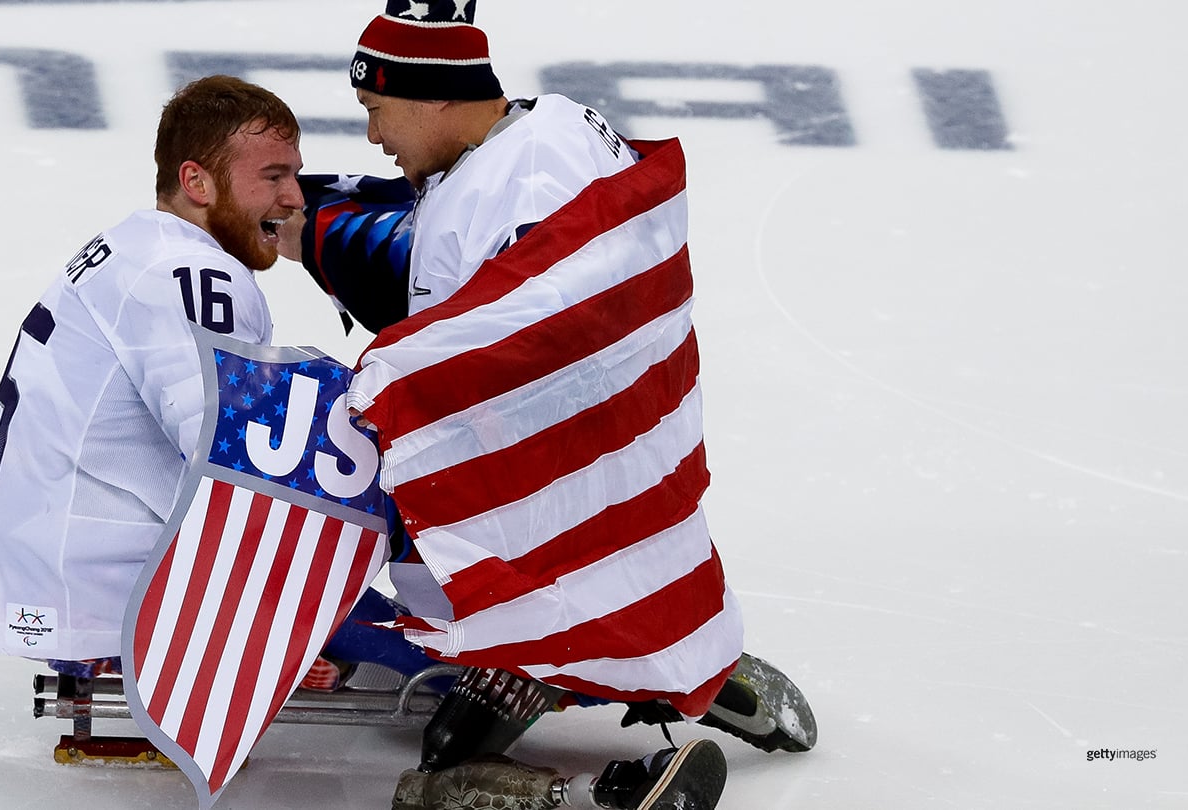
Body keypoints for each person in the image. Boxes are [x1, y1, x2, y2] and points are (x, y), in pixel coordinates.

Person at [279, 2, 819, 807]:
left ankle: (576, 756)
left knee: (442, 754)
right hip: (603, 503)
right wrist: (298, 224)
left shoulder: (532, 178)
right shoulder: (529, 141)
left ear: (432, 97)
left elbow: (550, 328)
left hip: (554, 517)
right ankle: (696, 666)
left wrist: (395, 379)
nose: (372, 138)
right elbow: (437, 259)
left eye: (375, 110)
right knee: (615, 608)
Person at [0, 75, 305, 663]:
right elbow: (234, 450)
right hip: (94, 587)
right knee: (406, 645)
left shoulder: (135, 244)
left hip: (38, 557)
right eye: (273, 177)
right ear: (195, 181)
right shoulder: (191, 274)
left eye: (294, 176)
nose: (295, 198)